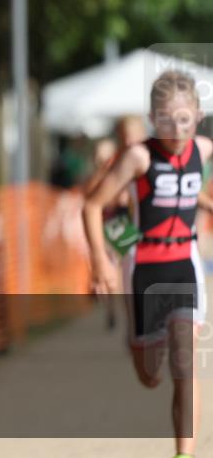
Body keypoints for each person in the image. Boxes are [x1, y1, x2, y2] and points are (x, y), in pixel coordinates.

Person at [83, 71, 212, 458]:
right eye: (167, 119)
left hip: (185, 262)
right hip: (144, 265)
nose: (177, 128)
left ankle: (184, 453)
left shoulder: (203, 149)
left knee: (186, 364)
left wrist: (206, 202)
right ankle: (135, 336)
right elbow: (91, 205)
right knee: (151, 377)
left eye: (185, 119)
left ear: (199, 115)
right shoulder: (138, 156)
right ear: (154, 119)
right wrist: (100, 262)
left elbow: (188, 188)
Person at [84, 117, 149, 329]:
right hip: (115, 220)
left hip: (133, 220)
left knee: (127, 269)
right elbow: (92, 195)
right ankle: (116, 310)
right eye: (124, 135)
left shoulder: (147, 157)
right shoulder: (115, 161)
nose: (129, 139)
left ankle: (128, 313)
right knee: (117, 266)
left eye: (132, 134)